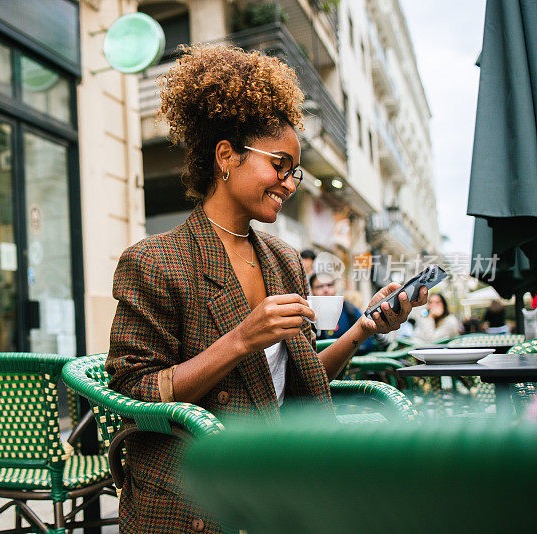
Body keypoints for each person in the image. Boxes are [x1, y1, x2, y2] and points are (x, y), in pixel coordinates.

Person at [105, 45, 426, 534]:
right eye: (280, 164)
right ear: (227, 156)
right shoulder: (155, 261)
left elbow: (290, 386)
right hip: (195, 487)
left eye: (294, 170)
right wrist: (241, 338)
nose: (291, 182)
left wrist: (361, 329)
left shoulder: (281, 259)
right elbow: (134, 390)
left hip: (276, 468)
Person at [309, 272, 376, 354]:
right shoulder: (308, 314)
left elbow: (367, 341)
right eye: (320, 287)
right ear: (312, 290)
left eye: (329, 285)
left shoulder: (348, 309)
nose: (326, 290)